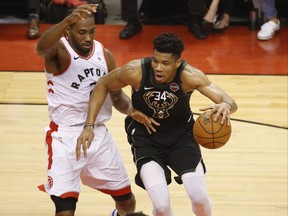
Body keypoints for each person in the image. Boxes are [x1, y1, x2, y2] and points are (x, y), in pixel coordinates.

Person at [76, 33, 238, 215]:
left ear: (177, 63)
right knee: (161, 207)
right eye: (155, 61)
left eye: (165, 63)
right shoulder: (135, 71)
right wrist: (90, 125)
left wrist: (225, 105)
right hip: (146, 138)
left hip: (182, 137)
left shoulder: (189, 76)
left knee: (199, 198)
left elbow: (229, 101)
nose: (158, 68)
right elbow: (103, 84)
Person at [36, 4, 141, 216]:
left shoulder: (105, 55)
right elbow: (41, 48)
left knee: (127, 201)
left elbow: (117, 96)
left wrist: (131, 110)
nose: (88, 38)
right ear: (68, 31)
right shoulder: (59, 52)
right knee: (65, 210)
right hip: (65, 137)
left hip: (98, 135)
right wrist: (67, 20)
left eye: (92, 31)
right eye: (81, 32)